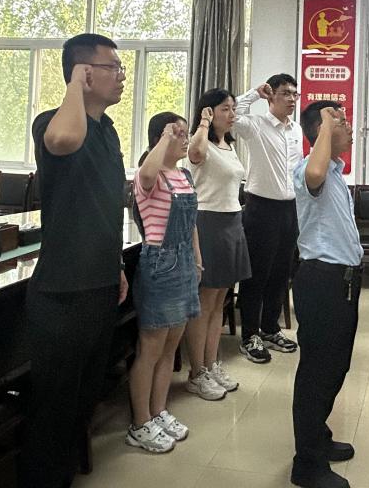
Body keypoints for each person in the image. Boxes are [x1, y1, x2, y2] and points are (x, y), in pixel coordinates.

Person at [19, 33, 128, 488]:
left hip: (100, 282)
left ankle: (63, 475)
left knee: (85, 396)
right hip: (63, 290)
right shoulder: (52, 121)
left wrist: (117, 264)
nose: (121, 76)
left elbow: (105, 206)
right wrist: (73, 89)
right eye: (112, 67)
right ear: (83, 72)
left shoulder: (108, 130)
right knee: (55, 405)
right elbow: (64, 139)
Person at [290, 101, 363, 488]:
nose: (348, 128)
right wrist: (324, 124)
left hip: (343, 282)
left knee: (336, 367)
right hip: (322, 282)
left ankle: (318, 436)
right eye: (340, 121)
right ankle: (307, 465)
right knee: (317, 374)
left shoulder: (335, 171)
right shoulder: (309, 170)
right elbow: (314, 171)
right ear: (320, 131)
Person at [126, 112, 203, 451]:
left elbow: (192, 223)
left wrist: (197, 259)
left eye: (186, 133)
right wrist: (165, 139)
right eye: (178, 133)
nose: (185, 139)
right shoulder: (150, 175)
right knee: (151, 347)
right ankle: (140, 422)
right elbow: (145, 173)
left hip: (184, 261)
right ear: (160, 137)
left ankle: (159, 411)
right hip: (160, 263)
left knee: (171, 345)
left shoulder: (183, 175)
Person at [185, 88, 252, 399]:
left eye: (233, 108)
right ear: (210, 112)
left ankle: (211, 364)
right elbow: (195, 155)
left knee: (220, 301)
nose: (232, 114)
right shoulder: (202, 143)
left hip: (231, 221)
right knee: (204, 302)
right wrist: (202, 123)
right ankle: (196, 372)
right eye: (225, 108)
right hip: (208, 222)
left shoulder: (229, 145)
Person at [232, 74, 304, 362]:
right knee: (257, 274)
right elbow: (233, 114)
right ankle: (249, 335)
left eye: (295, 94)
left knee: (281, 273)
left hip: (290, 209)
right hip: (261, 209)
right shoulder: (256, 125)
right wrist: (254, 93)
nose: (292, 99)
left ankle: (270, 328)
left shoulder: (296, 129)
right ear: (271, 95)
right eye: (285, 93)